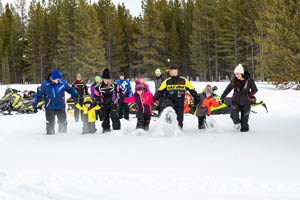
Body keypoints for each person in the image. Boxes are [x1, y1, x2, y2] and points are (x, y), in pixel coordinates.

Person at [33, 69, 78, 135]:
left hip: (61, 107)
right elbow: (38, 95)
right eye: (57, 80)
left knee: (63, 122)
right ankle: (50, 137)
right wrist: (35, 104)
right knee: (50, 123)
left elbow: (70, 89)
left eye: (60, 79)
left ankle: (62, 135)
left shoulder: (63, 83)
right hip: (50, 107)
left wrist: (76, 95)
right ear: (52, 78)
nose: (59, 81)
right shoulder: (45, 85)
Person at [154, 65, 199, 129]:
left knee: (179, 119)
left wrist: (196, 98)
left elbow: (192, 90)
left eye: (173, 71)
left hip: (180, 102)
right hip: (169, 101)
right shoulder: (166, 81)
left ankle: (179, 131)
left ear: (177, 71)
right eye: (170, 71)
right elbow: (159, 92)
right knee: (169, 113)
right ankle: (168, 129)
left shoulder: (184, 80)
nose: (172, 72)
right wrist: (153, 100)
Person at [220, 64, 258, 132]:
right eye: (235, 74)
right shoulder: (234, 80)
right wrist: (222, 97)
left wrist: (248, 95)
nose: (236, 75)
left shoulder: (249, 80)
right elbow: (228, 89)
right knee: (234, 116)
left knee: (244, 126)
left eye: (237, 74)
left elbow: (255, 90)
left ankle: (244, 136)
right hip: (235, 101)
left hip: (246, 102)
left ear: (242, 73)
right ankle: (237, 124)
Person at [95, 68, 121, 133]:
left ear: (109, 79)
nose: (106, 81)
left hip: (112, 103)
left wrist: (118, 98)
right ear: (102, 79)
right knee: (105, 118)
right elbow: (96, 95)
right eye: (104, 79)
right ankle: (106, 130)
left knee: (114, 115)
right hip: (104, 105)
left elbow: (119, 92)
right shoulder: (99, 87)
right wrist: (98, 101)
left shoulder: (113, 85)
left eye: (107, 79)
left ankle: (116, 130)